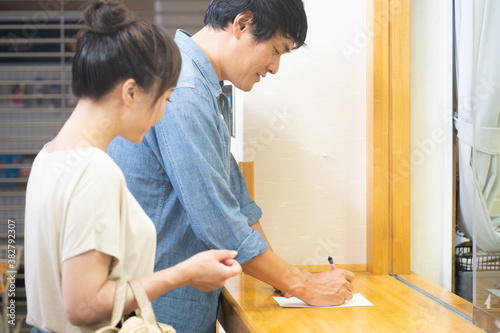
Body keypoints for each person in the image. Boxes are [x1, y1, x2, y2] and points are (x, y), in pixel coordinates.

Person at [107, 0, 356, 332]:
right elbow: (221, 226)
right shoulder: (185, 88)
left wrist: (288, 277)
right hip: (154, 313)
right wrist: (305, 286)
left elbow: (239, 207)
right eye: (277, 51)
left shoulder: (202, 87)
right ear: (242, 24)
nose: (275, 68)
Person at [24, 1, 242, 332]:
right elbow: (82, 307)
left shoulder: (49, 157)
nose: (161, 117)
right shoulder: (94, 171)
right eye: (165, 100)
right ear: (130, 92)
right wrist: (184, 273)